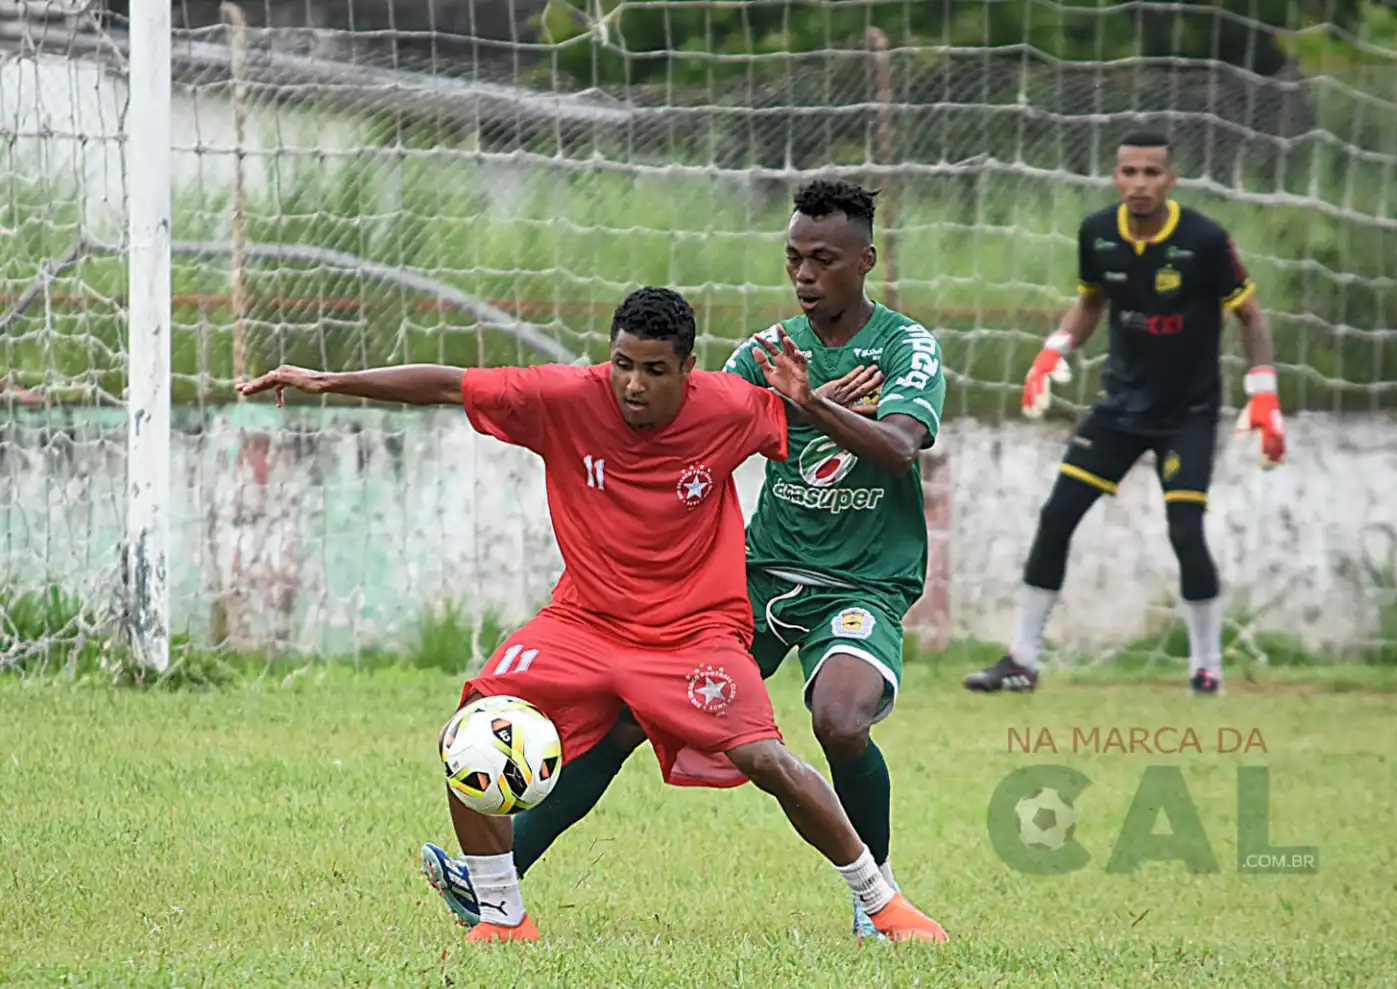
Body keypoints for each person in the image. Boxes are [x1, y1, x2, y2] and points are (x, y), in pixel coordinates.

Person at [236, 286, 948, 945]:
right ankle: (501, 914)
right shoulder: (565, 396)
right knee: (474, 727)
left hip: (692, 631)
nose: (634, 383)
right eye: (623, 364)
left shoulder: (729, 405)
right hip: (581, 622)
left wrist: (815, 401)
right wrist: (327, 382)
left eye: (654, 369)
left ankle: (880, 899)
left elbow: (805, 419)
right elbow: (448, 384)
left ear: (688, 370)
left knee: (765, 756)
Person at [418, 180, 946, 941]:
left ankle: (877, 895)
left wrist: (815, 403)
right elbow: (690, 431)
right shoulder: (761, 353)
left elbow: (897, 450)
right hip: (762, 571)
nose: (803, 274)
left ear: (865, 260)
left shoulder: (905, 346)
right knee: (630, 715)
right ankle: (496, 884)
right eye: (793, 257)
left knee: (838, 720)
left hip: (862, 578)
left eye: (822, 259)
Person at [962, 130, 1286, 697]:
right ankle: (1021, 660)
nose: (1140, 183)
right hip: (1119, 407)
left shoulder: (1203, 239)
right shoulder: (1097, 233)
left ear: (1171, 178)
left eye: (1151, 173)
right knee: (1057, 516)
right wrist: (1055, 348)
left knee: (1185, 529)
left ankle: (1206, 669)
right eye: (1129, 172)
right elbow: (1091, 300)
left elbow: (1251, 315)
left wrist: (1263, 391)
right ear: (1116, 176)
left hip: (1188, 412)